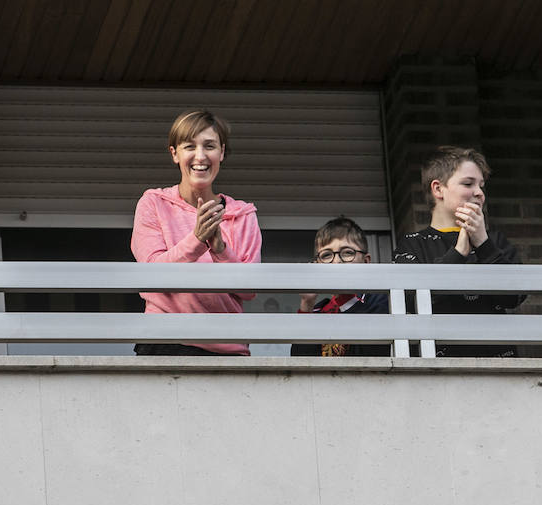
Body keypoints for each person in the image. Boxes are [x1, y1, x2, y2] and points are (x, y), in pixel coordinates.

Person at [130, 109, 262, 355]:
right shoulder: (153, 203)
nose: (200, 156)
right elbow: (151, 275)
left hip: (227, 349)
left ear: (221, 152)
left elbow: (249, 290)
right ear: (174, 154)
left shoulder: (243, 215)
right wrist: (197, 240)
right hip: (163, 343)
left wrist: (220, 250)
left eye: (209, 146)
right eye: (189, 146)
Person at [392, 145, 523, 358]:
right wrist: (459, 252)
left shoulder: (495, 241)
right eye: (468, 183)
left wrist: (483, 243)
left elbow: (515, 297)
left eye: (481, 185)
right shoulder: (413, 244)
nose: (479, 193)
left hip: (499, 363)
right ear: (438, 189)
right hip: (439, 368)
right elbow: (409, 301)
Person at [292, 216, 389, 357]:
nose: (336, 262)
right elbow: (300, 363)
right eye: (326, 255)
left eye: (347, 253)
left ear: (366, 261)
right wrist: (307, 304)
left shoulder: (381, 303)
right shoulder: (318, 311)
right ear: (317, 265)